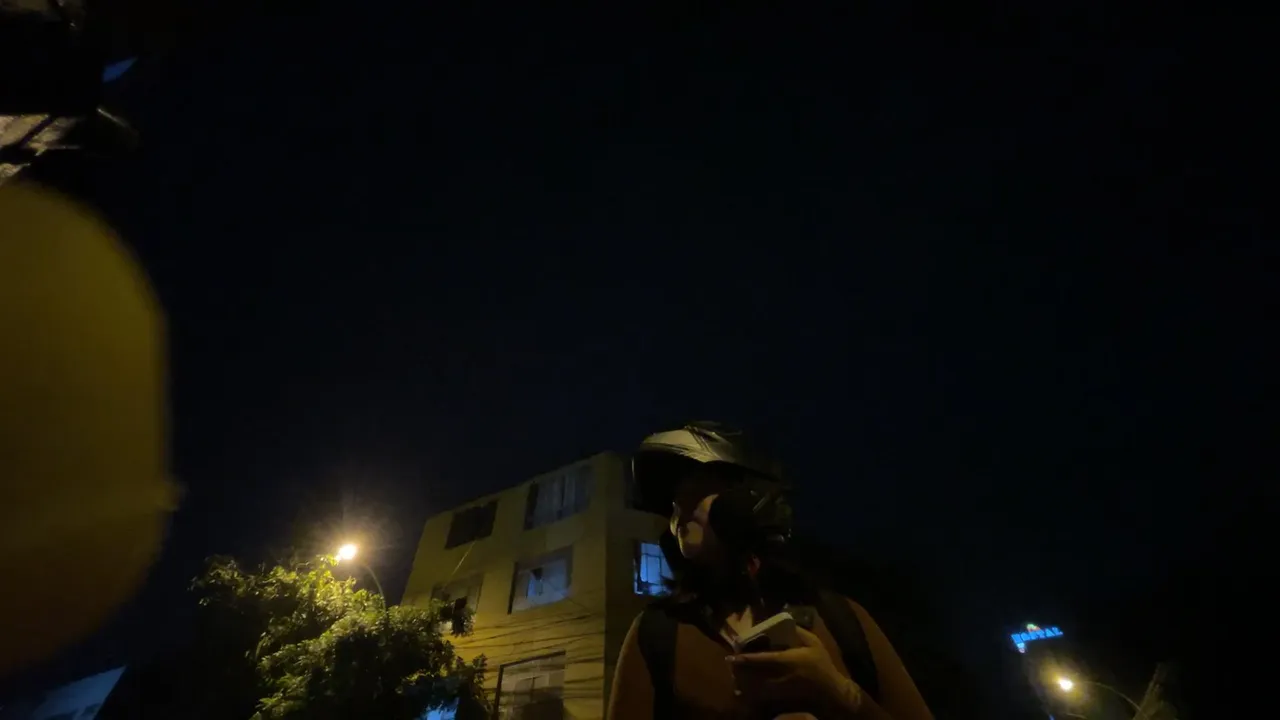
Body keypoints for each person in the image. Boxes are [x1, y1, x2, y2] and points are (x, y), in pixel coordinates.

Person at [606, 422, 933, 720]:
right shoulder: (658, 633)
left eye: (696, 489)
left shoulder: (842, 620)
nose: (679, 508)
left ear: (753, 500)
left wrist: (839, 694)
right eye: (674, 501)